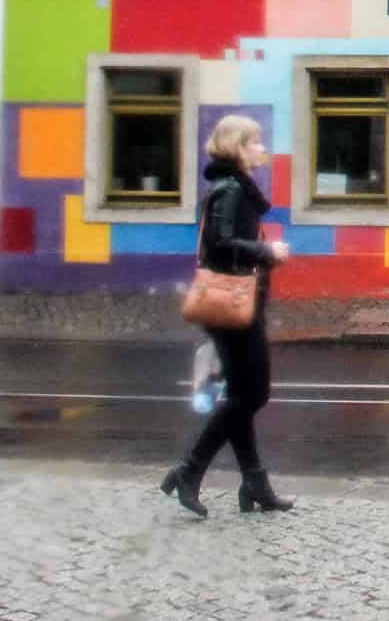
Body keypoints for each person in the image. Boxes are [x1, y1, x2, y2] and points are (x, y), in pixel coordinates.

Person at [160, 114, 294, 518]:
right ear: (237, 146)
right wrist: (266, 252)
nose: (262, 148)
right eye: (255, 142)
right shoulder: (231, 189)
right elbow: (219, 244)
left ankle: (255, 483)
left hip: (237, 303)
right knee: (253, 393)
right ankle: (190, 469)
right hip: (231, 306)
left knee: (241, 394)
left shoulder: (233, 187)